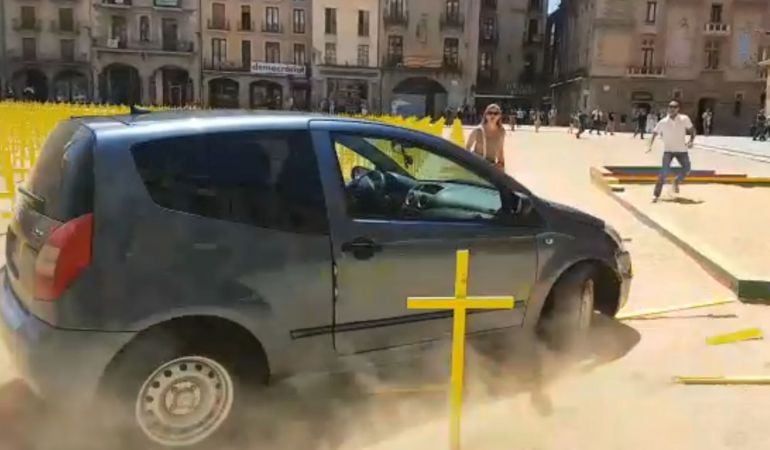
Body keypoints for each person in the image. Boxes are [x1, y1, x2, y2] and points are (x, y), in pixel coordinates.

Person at [647, 100, 695, 202]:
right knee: (664, 172)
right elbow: (654, 133)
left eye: (674, 107)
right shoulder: (663, 122)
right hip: (668, 150)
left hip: (682, 150)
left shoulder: (684, 119)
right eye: (670, 107)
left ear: (678, 109)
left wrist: (691, 140)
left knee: (687, 169)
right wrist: (649, 146)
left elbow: (692, 130)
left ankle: (676, 181)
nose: (672, 109)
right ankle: (656, 195)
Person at [465, 103, 506, 169]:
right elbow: (467, 148)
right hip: (477, 165)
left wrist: (501, 165)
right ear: (485, 115)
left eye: (496, 113)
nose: (492, 115)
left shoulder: (501, 132)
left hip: (491, 166)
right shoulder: (478, 130)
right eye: (490, 113)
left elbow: (500, 150)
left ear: (499, 116)